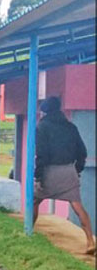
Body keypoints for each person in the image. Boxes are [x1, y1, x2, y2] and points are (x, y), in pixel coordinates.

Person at [33, 96, 94, 254]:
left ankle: (29, 232)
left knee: (34, 200)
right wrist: (77, 170)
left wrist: (38, 174)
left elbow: (41, 153)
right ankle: (90, 241)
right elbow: (82, 152)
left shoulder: (42, 127)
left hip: (49, 171)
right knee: (77, 205)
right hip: (68, 171)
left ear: (45, 111)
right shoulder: (71, 127)